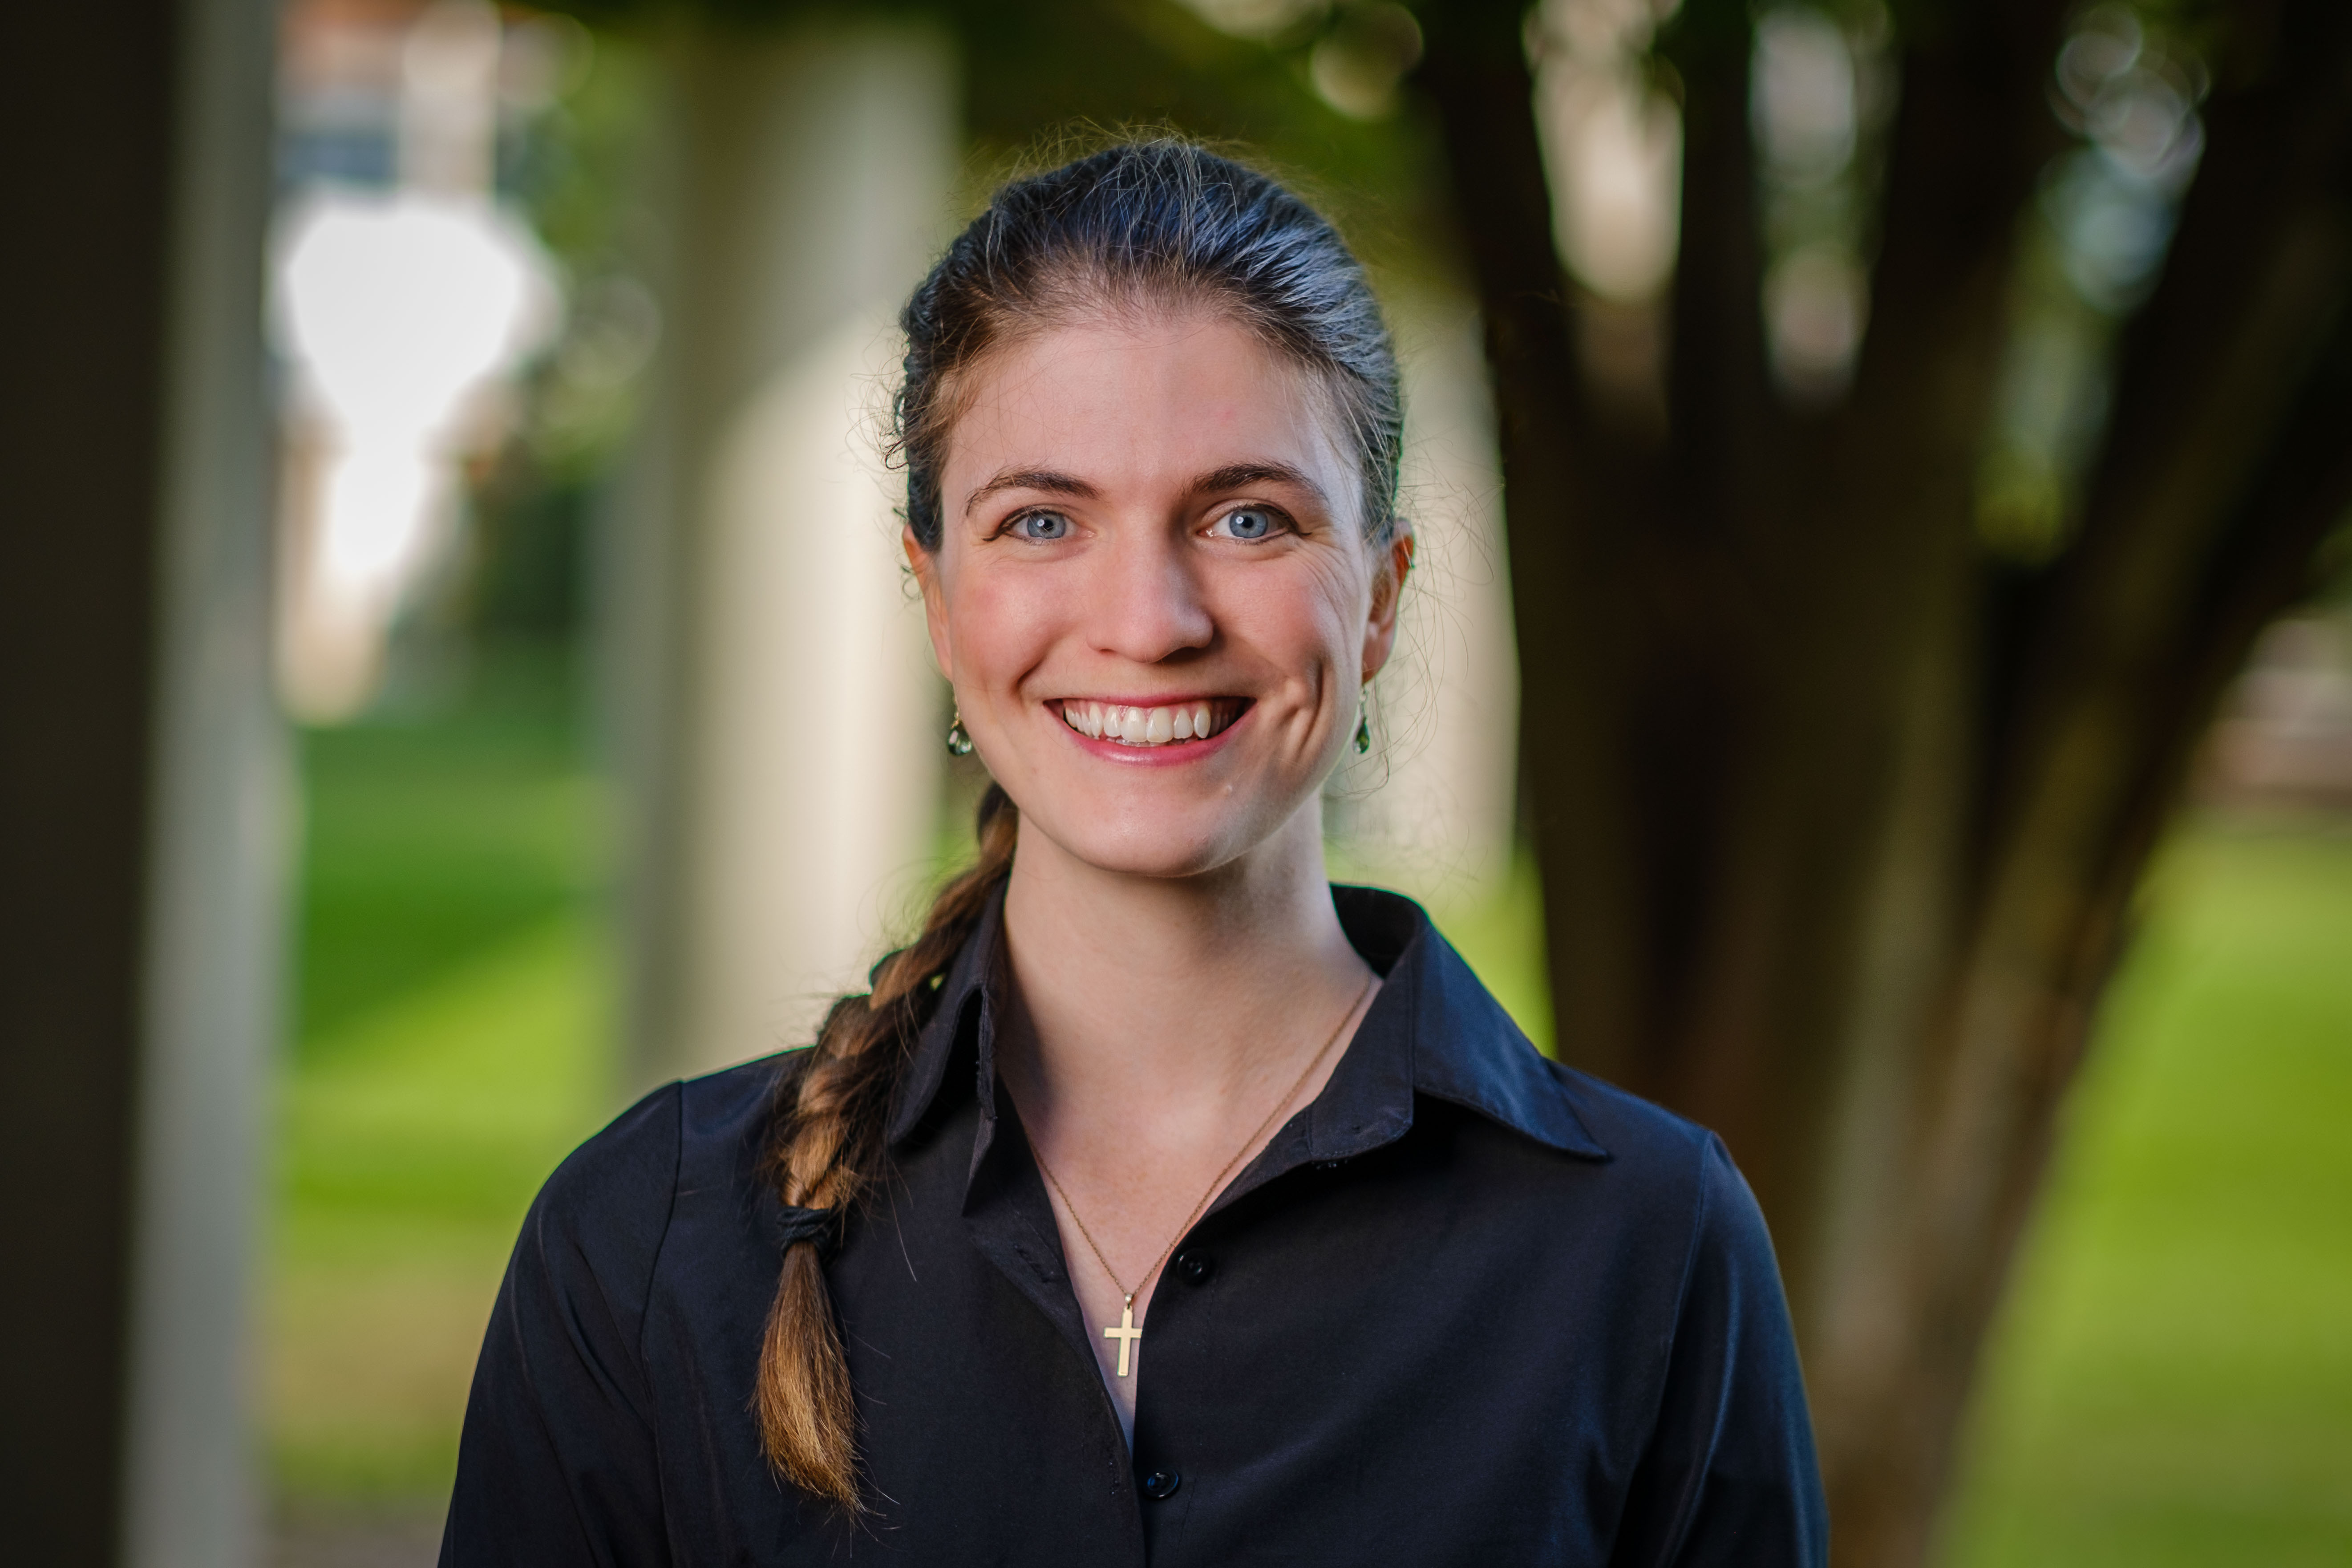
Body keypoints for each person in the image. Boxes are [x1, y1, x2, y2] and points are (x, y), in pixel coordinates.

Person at [440, 139, 1827, 1567]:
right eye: (1043, 519)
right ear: (936, 598)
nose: (1151, 616)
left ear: (1381, 599)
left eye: (1247, 518)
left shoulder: (1650, 1250)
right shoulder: (647, 1250)